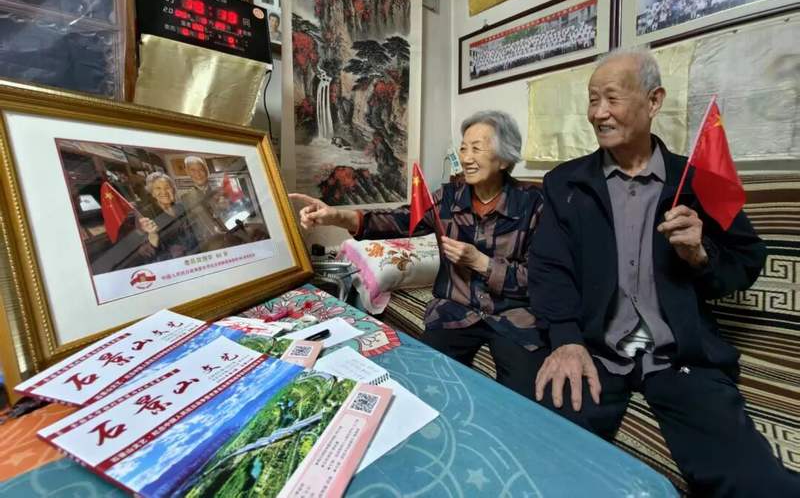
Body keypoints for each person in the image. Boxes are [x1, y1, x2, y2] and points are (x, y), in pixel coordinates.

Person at [528, 48, 800, 496]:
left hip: (681, 357)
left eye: (612, 98)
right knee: (540, 462)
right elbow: (548, 268)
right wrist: (566, 340)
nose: (598, 113)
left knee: (758, 484)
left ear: (653, 101)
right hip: (595, 350)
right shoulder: (566, 183)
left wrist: (701, 256)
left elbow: (747, 261)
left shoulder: (695, 180)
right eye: (593, 100)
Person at [290, 111, 544, 398]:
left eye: (477, 148)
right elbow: (398, 220)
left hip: (512, 316)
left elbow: (539, 279)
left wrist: (481, 262)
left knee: (528, 397)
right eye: (463, 148)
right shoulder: (448, 197)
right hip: (456, 310)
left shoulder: (534, 205)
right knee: (422, 381)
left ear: (505, 158)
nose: (466, 157)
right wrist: (336, 216)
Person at [136, 172, 198, 262]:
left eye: (167, 187)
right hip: (169, 262)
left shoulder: (180, 207)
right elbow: (145, 251)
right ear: (152, 193)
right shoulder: (146, 214)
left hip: (192, 255)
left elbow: (192, 230)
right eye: (158, 188)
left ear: (173, 190)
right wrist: (152, 235)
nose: (164, 192)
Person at [180, 156, 228, 250]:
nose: (198, 174)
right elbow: (190, 226)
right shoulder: (185, 198)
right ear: (188, 172)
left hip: (230, 237)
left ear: (206, 170)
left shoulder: (221, 190)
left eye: (201, 169)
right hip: (208, 244)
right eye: (193, 170)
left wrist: (225, 207)